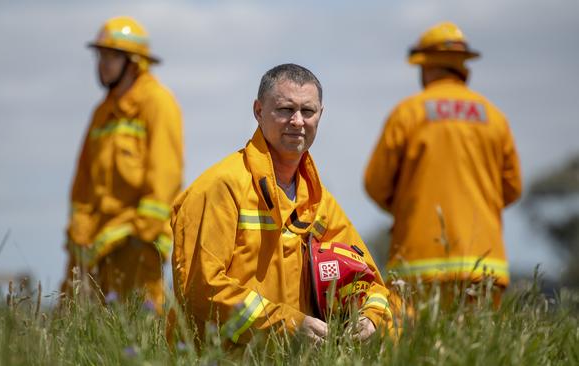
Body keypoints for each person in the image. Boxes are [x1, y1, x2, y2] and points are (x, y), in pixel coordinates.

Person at [171, 64, 392, 345]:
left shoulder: (318, 201)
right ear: (259, 111)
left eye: (308, 111)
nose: (298, 121)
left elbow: (369, 281)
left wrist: (369, 317)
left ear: (320, 115)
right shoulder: (220, 187)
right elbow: (202, 288)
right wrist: (287, 325)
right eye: (286, 110)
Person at [364, 22, 522, 304]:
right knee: (478, 347)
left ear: (424, 68)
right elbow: (512, 188)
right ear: (465, 69)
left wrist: (407, 209)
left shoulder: (408, 113)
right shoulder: (495, 118)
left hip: (417, 266)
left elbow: (375, 183)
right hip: (485, 266)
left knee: (416, 347)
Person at [60, 16, 183, 311]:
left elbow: (165, 175)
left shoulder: (157, 103)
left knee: (137, 328)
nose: (102, 63)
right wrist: (79, 229)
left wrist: (143, 232)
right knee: (72, 323)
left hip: (136, 241)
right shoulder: (102, 112)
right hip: (93, 243)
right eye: (100, 55)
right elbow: (83, 179)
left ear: (134, 62)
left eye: (111, 56)